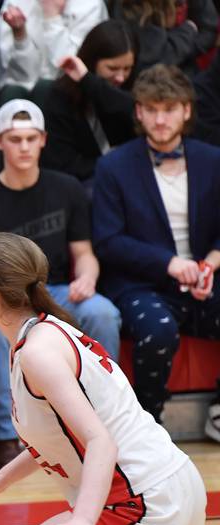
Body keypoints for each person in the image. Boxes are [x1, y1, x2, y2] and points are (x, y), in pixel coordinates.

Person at [0, 231, 207, 525]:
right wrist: (2, 479)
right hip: (176, 484)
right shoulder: (47, 330)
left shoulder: (38, 353)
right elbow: (63, 436)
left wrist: (84, 519)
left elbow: (100, 440)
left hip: (138, 499)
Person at [0, 98, 122, 470]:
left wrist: (87, 277)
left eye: (30, 138)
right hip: (12, 298)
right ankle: (5, 435)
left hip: (58, 290)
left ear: (43, 139)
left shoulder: (68, 188)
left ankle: (105, 417)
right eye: (15, 139)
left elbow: (85, 252)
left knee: (103, 312)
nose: (23, 147)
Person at [92, 64, 220, 431]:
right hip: (141, 284)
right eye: (152, 109)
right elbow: (108, 241)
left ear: (186, 111)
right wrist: (170, 264)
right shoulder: (113, 166)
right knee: (158, 329)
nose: (160, 119)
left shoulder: (213, 160)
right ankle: (148, 421)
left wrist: (208, 265)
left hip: (202, 279)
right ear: (138, 112)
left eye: (169, 109)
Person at [42, 20, 138, 184]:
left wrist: (91, 83)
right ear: (92, 62)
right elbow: (62, 164)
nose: (121, 77)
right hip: (82, 182)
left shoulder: (134, 84)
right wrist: (87, 81)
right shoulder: (61, 96)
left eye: (127, 68)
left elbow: (136, 110)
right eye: (112, 69)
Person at [0, 0, 108, 107]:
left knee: (45, 89)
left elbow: (73, 67)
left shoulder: (90, 5)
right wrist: (20, 35)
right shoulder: (16, 3)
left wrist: (52, 18)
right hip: (21, 87)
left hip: (69, 88)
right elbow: (22, 75)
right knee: (12, 93)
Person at [109, 0, 219, 75]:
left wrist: (183, 51)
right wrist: (187, 31)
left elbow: (208, 30)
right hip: (144, 81)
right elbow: (149, 57)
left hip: (187, 73)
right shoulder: (127, 5)